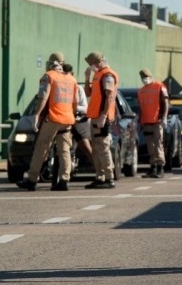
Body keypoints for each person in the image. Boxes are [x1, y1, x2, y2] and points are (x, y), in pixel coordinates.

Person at [16, 52, 78, 191]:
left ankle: (32, 180)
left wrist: (36, 115)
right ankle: (63, 180)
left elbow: (43, 97)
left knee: (41, 148)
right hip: (67, 119)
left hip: (53, 118)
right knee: (64, 150)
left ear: (50, 63)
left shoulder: (49, 76)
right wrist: (71, 115)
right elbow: (75, 102)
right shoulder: (71, 79)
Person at [83, 51, 119, 189]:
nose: (92, 66)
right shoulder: (98, 75)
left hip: (101, 117)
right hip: (95, 117)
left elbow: (109, 96)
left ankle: (109, 178)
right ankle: (100, 177)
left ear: (100, 62)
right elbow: (88, 93)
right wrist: (87, 78)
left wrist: (104, 115)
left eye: (93, 63)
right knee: (97, 148)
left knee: (103, 148)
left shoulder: (107, 75)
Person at [63, 63, 95, 172]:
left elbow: (85, 108)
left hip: (77, 121)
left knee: (86, 147)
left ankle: (100, 171)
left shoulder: (78, 88)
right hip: (62, 121)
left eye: (68, 74)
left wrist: (74, 109)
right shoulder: (58, 86)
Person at [137, 68, 169, 178]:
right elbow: (141, 107)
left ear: (151, 77)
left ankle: (160, 168)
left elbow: (166, 102)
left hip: (157, 121)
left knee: (158, 144)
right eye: (142, 78)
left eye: (145, 77)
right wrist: (140, 121)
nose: (144, 80)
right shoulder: (141, 91)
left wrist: (164, 117)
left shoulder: (159, 86)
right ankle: (153, 167)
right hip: (146, 122)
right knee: (150, 146)